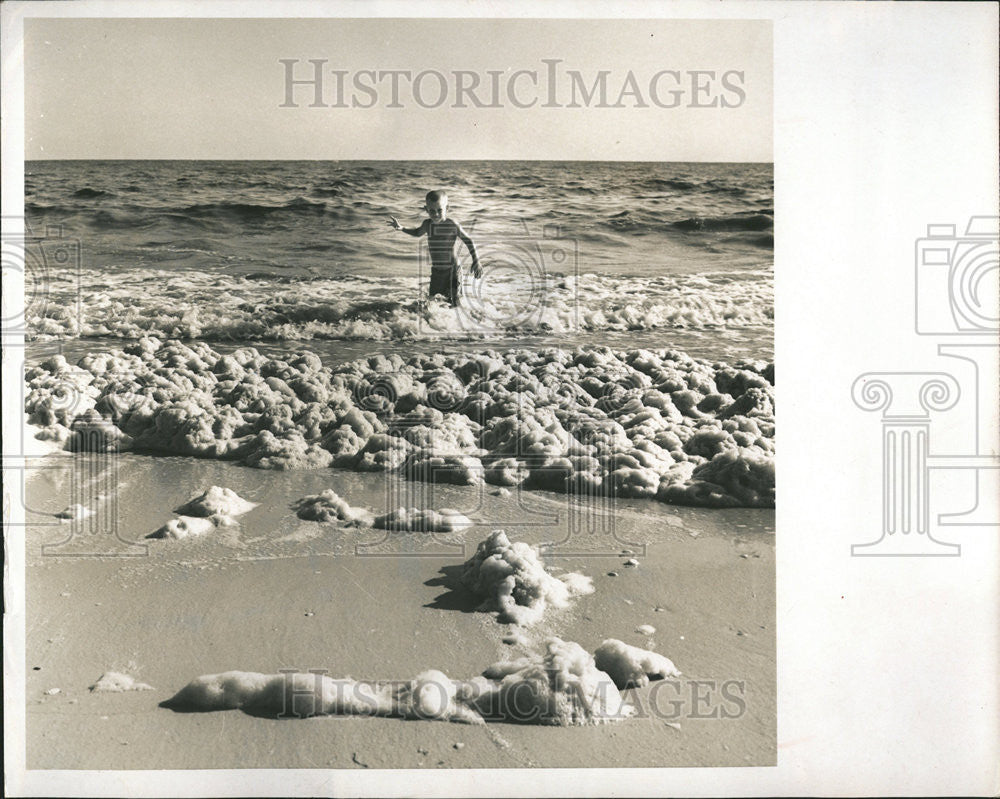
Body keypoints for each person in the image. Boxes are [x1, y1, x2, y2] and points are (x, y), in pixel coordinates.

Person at [388, 190, 482, 306]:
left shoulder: (451, 225)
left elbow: (468, 240)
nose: (436, 214)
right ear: (426, 209)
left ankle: (461, 321)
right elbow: (417, 232)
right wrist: (402, 228)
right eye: (432, 211)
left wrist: (476, 260)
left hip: (453, 271)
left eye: (439, 210)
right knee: (432, 303)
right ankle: (434, 323)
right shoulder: (427, 224)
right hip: (437, 272)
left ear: (447, 208)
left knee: (454, 303)